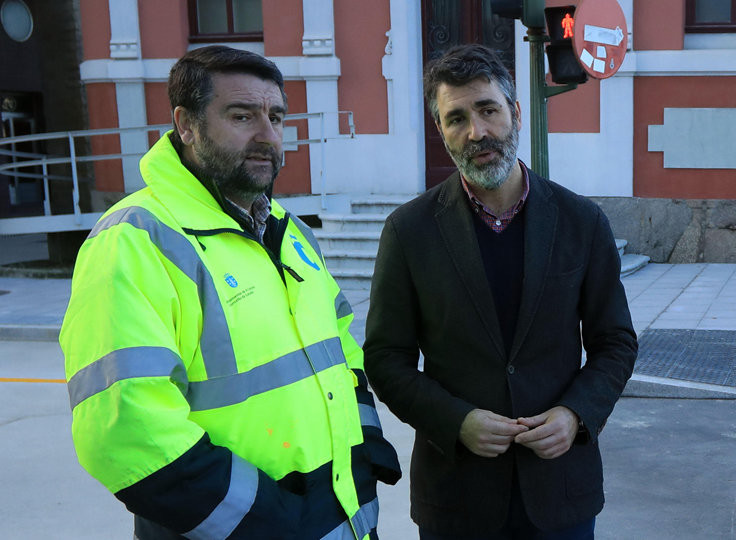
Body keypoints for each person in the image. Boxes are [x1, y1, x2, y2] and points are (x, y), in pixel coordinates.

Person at [60, 45, 400, 540]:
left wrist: (365, 442)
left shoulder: (290, 231)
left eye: (276, 117)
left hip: (344, 519)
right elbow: (126, 430)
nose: (267, 136)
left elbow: (341, 345)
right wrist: (268, 523)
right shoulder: (135, 240)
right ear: (187, 125)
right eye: (242, 116)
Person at [363, 44, 638, 539]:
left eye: (488, 110)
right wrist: (456, 420)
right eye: (456, 118)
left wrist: (576, 414)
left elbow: (614, 342)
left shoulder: (582, 222)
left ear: (514, 112)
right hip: (457, 496)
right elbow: (386, 358)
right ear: (441, 130)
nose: (477, 132)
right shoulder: (409, 231)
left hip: (560, 492)